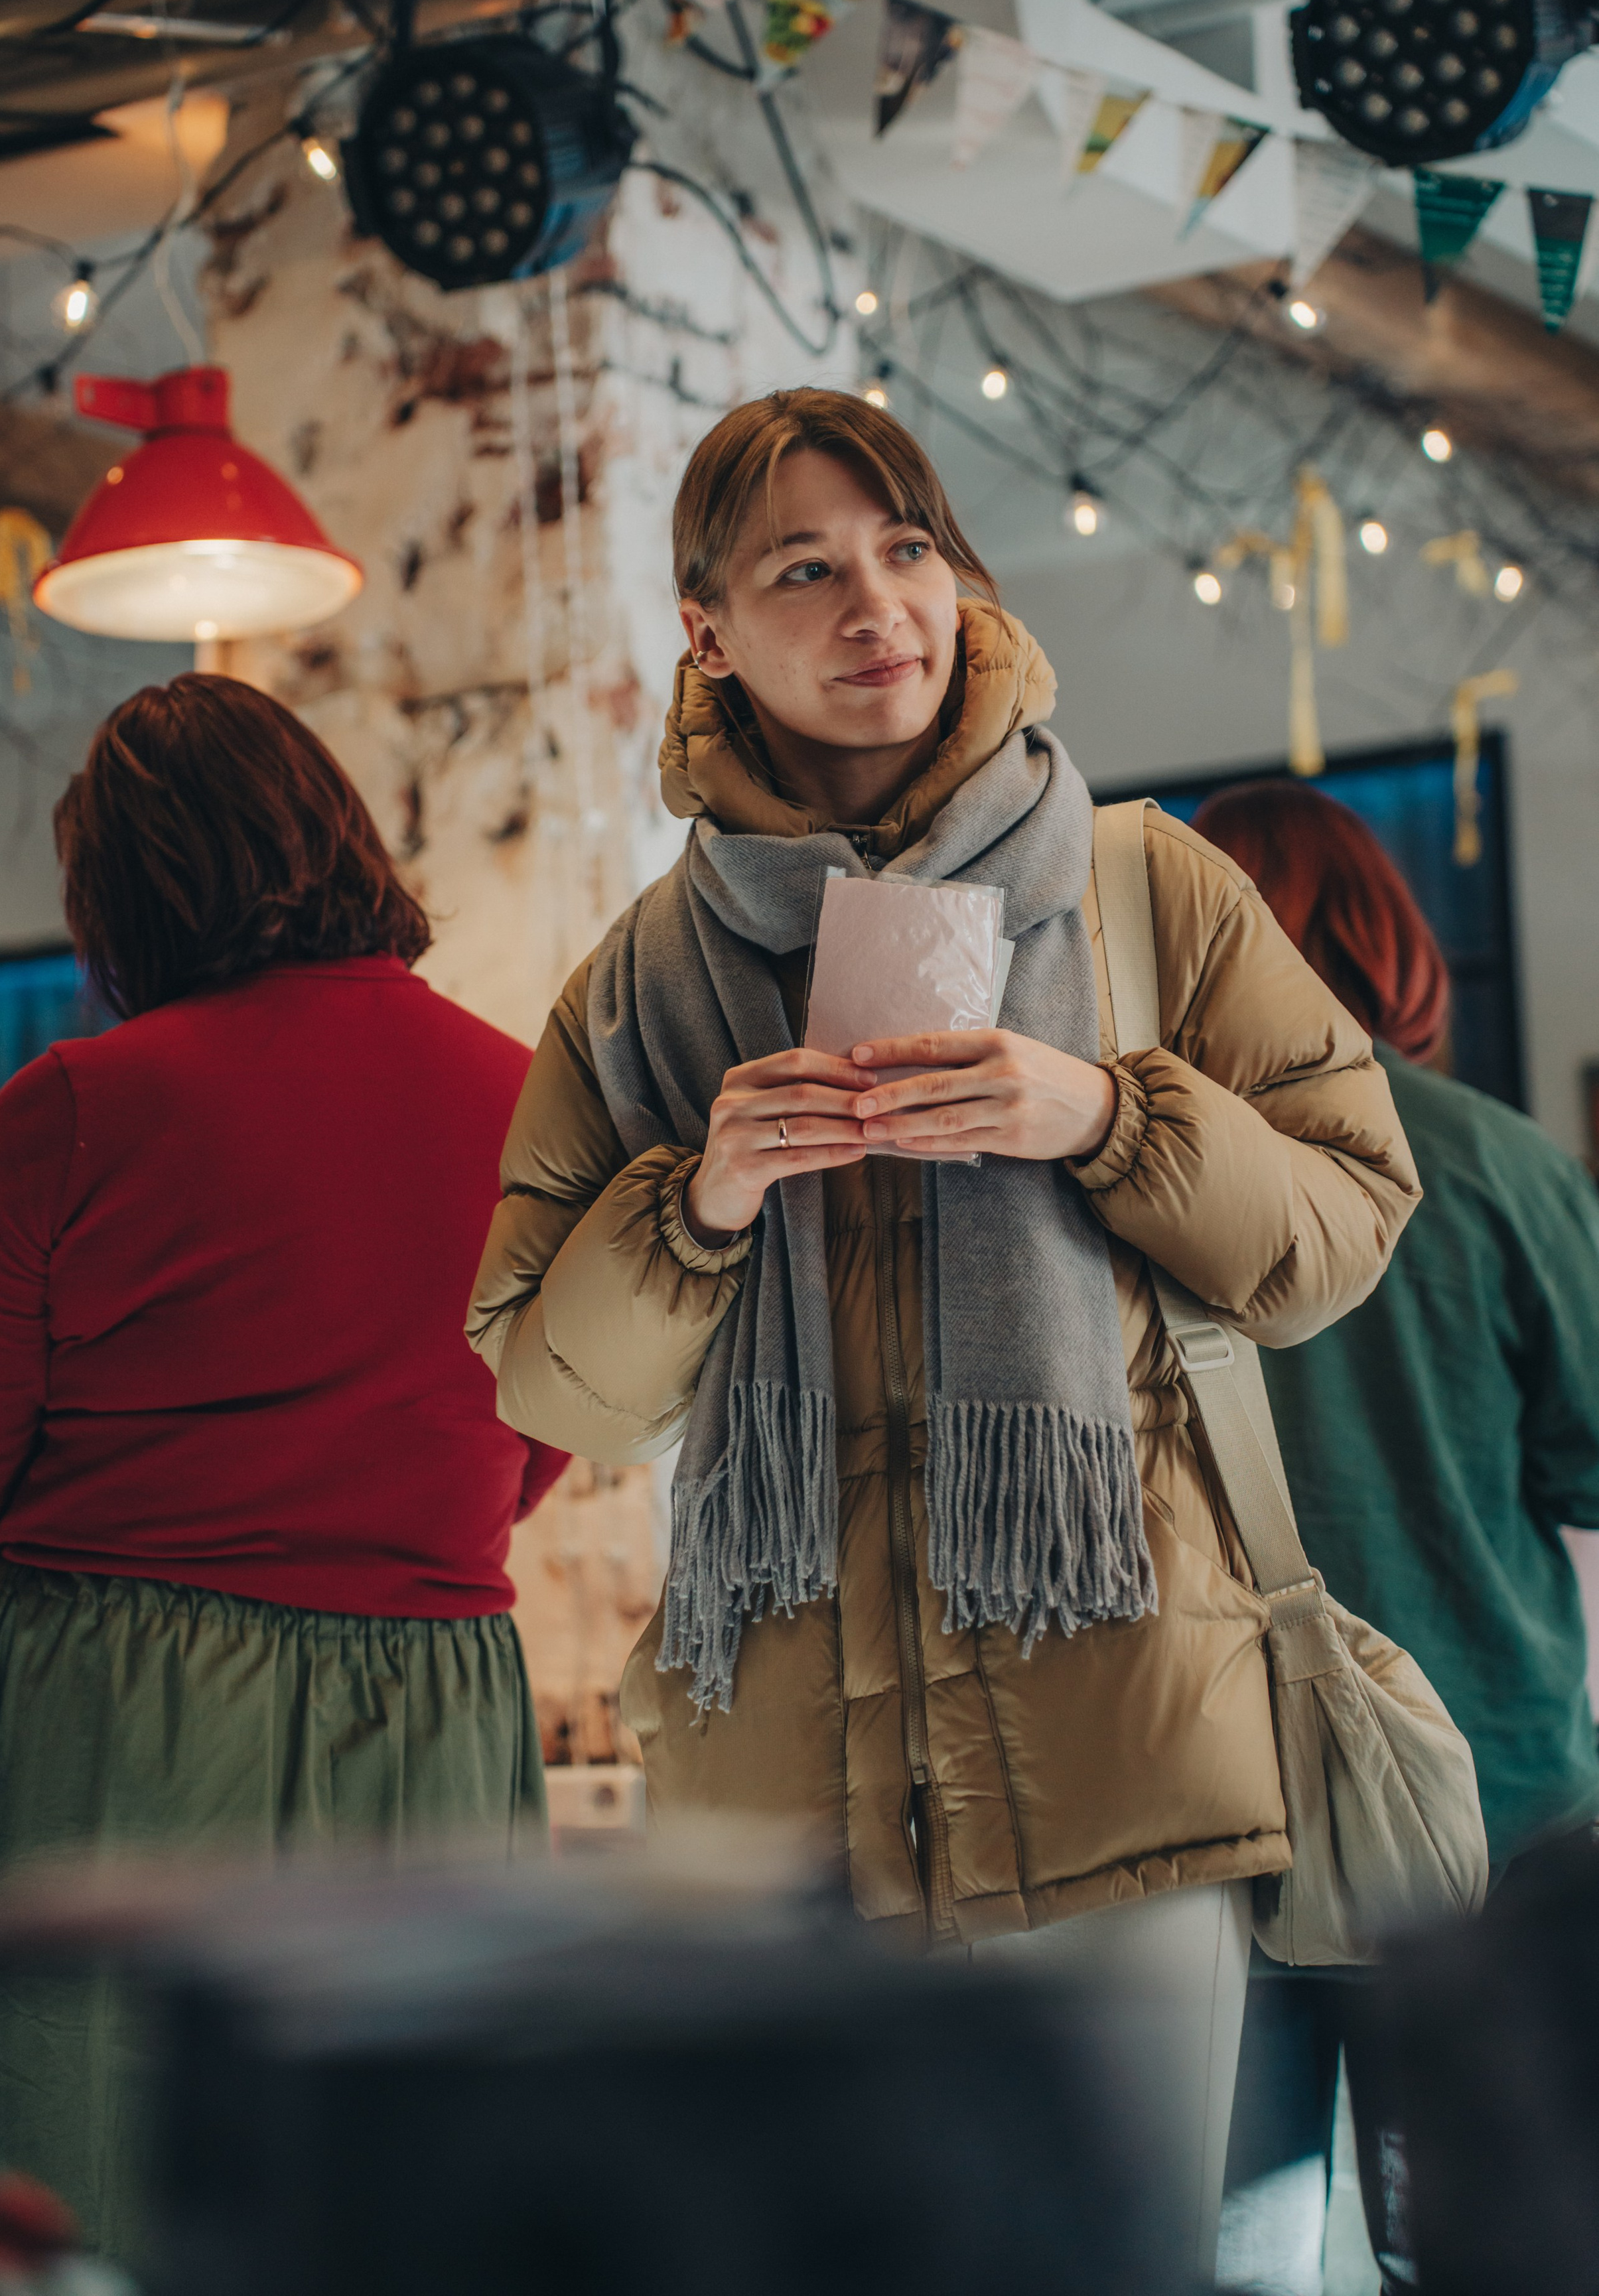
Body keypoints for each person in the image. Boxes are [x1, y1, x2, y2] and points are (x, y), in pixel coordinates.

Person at [468, 388, 1420, 2279]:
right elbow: (553, 1387)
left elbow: (1340, 1229)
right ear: (707, 633)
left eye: (905, 547)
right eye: (803, 569)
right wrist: (700, 1202)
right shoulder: (640, 983)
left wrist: (1106, 1116)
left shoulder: (1145, 886)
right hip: (780, 1830)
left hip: (1128, 1757)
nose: (874, 605)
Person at [0, 673, 563, 2266]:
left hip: (117, 1716)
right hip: (434, 1708)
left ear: (123, 893)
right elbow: (538, 1439)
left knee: (79, 2202)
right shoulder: (530, 1107)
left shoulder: (72, 1110)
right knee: (401, 2209)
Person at [1194, 778, 1599, 2295]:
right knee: (1485, 2250)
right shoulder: (1493, 1164)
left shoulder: (1130, 1186)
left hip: (1210, 1810)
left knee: (1237, 2256)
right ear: (1389, 941)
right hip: (1482, 1797)